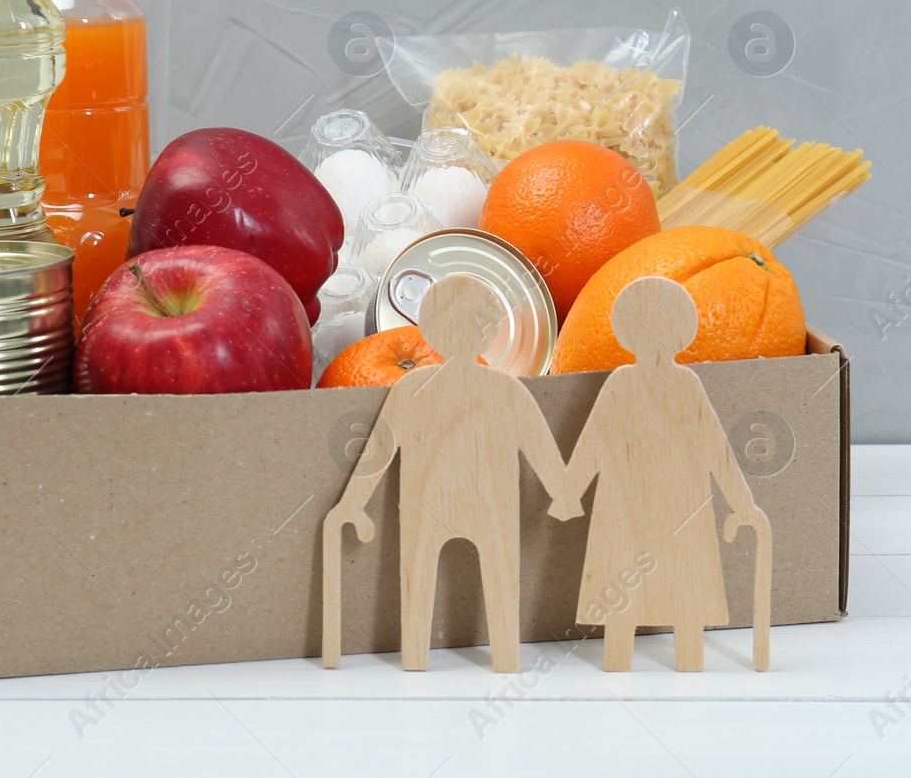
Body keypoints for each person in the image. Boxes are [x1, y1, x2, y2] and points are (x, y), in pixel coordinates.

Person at [324, 274, 581, 672]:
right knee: (430, 575)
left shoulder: (487, 390)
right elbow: (380, 449)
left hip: (473, 502)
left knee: (483, 578)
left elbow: (538, 444)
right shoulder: (423, 389)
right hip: (436, 502)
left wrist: (562, 490)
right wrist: (352, 503)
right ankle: (430, 657)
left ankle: (482, 657)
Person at [552, 276, 769, 672]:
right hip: (638, 505)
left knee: (679, 588)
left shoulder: (680, 385)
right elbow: (594, 442)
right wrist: (568, 490)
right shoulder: (630, 384)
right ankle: (629, 660)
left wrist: (743, 502)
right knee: (635, 589)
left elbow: (715, 449)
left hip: (672, 506)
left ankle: (682, 661)